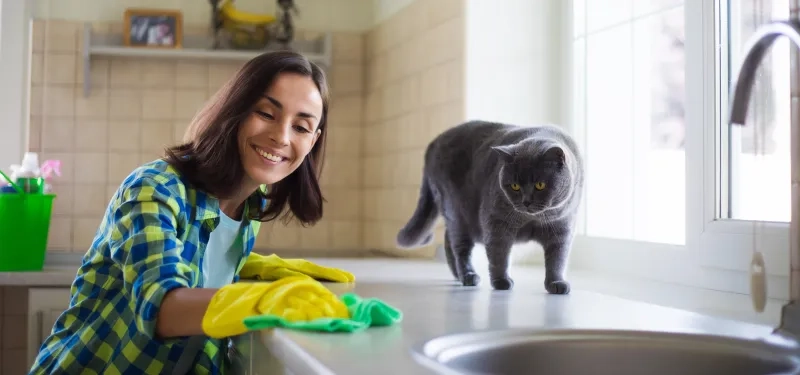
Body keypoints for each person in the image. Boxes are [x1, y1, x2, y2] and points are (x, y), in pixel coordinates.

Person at [28, 51, 337, 374]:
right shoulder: (155, 187)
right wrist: (263, 298)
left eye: (301, 127)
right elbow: (160, 308)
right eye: (266, 113)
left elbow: (204, 295)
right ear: (237, 110)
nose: (281, 136)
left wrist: (252, 271)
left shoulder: (250, 207)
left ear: (313, 140)